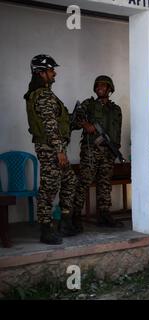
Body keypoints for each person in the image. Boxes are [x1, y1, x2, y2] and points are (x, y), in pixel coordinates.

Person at [24, 54, 77, 244]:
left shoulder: (43, 93)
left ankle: (64, 221)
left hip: (52, 147)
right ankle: (46, 229)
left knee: (70, 180)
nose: (54, 73)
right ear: (41, 73)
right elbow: (49, 124)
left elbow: (56, 120)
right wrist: (59, 150)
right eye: (51, 70)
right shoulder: (43, 95)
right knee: (49, 188)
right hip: (50, 148)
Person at [72, 75, 123, 229]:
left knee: (104, 184)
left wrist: (115, 149)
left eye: (103, 85)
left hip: (109, 151)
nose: (100, 88)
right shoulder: (89, 105)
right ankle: (74, 216)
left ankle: (104, 214)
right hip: (91, 150)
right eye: (98, 85)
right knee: (84, 182)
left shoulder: (116, 109)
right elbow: (75, 117)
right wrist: (86, 124)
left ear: (109, 88)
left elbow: (117, 131)